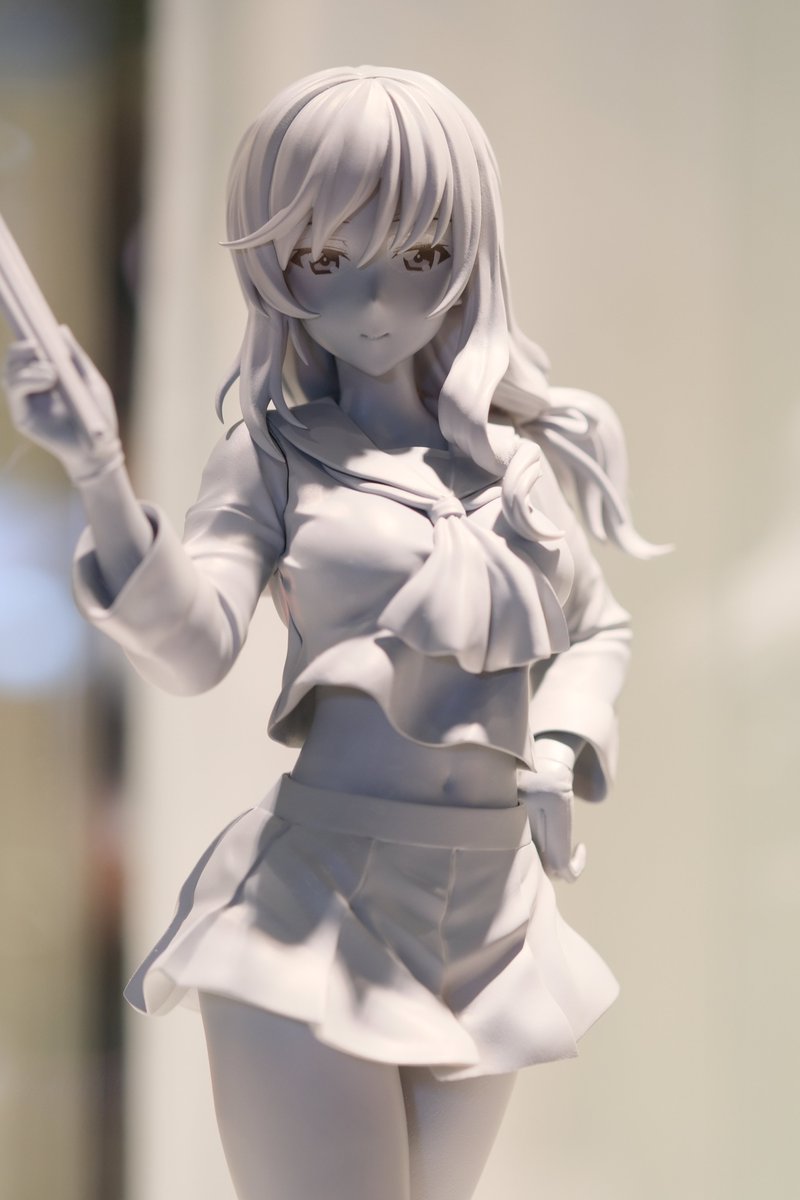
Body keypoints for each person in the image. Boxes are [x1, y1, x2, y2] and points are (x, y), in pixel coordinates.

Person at [3, 65, 660, 1200]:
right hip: (322, 901)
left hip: (493, 909)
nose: (373, 298)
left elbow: (598, 626)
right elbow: (195, 646)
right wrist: (100, 472)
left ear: (469, 249)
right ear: (277, 266)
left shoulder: (512, 463)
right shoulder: (272, 454)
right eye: (322, 257)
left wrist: (557, 744)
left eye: (418, 253)